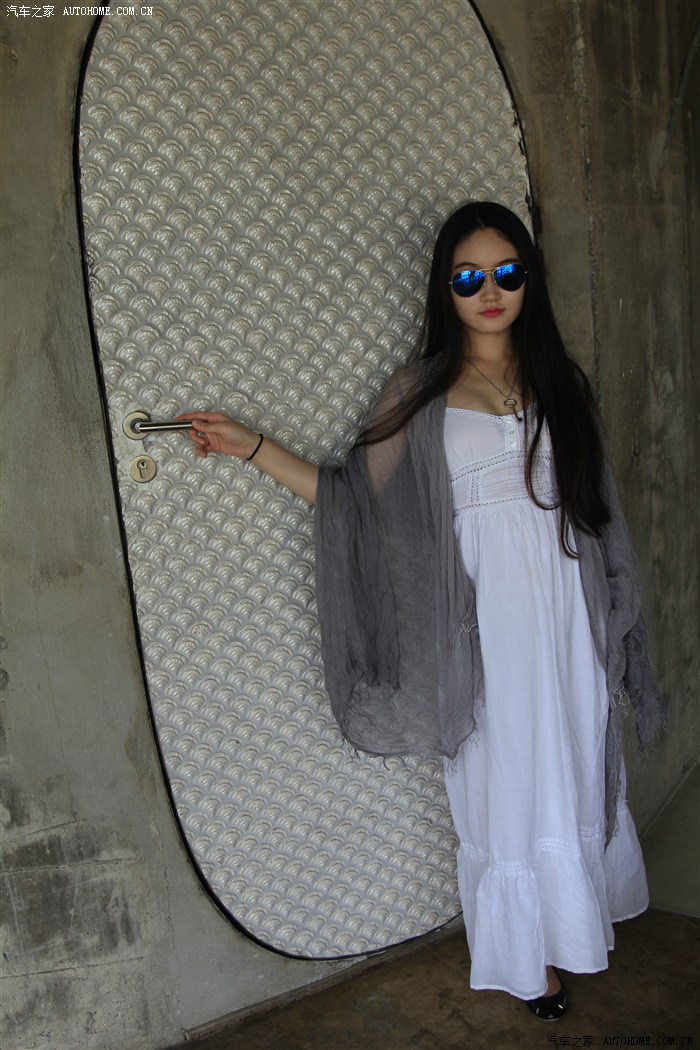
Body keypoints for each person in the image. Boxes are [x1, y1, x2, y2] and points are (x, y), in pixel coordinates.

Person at [178, 201, 665, 1020]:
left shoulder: (560, 382)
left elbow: (597, 510)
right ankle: (530, 964)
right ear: (445, 289)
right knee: (505, 784)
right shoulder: (418, 391)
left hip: (568, 620)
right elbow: (353, 501)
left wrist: (612, 617)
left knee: (575, 769)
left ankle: (569, 931)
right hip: (486, 632)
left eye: (506, 273)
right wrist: (251, 446)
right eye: (468, 278)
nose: (489, 291)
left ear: (529, 279)